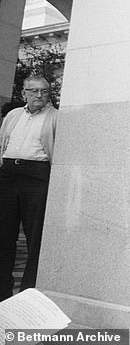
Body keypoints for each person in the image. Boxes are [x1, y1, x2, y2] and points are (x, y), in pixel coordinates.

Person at [0, 74, 58, 301]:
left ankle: (27, 293)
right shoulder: (13, 115)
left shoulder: (55, 117)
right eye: (34, 91)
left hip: (37, 176)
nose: (39, 95)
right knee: (4, 234)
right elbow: (3, 142)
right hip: (8, 175)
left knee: (34, 236)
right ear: (24, 93)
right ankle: (3, 292)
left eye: (44, 91)